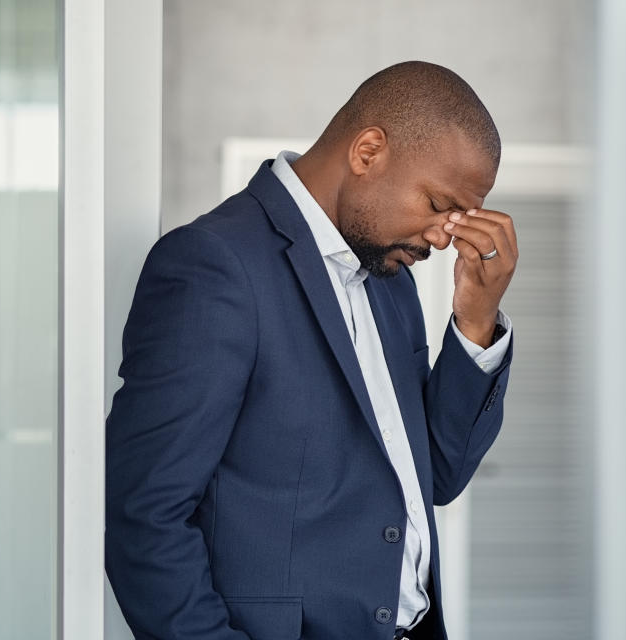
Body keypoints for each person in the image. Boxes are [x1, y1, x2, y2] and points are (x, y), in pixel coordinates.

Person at [105, 61, 517, 640]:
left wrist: (475, 322)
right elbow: (144, 517)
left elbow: (435, 478)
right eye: (437, 204)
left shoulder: (388, 278)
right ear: (368, 151)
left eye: (458, 218)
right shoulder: (215, 264)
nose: (443, 238)